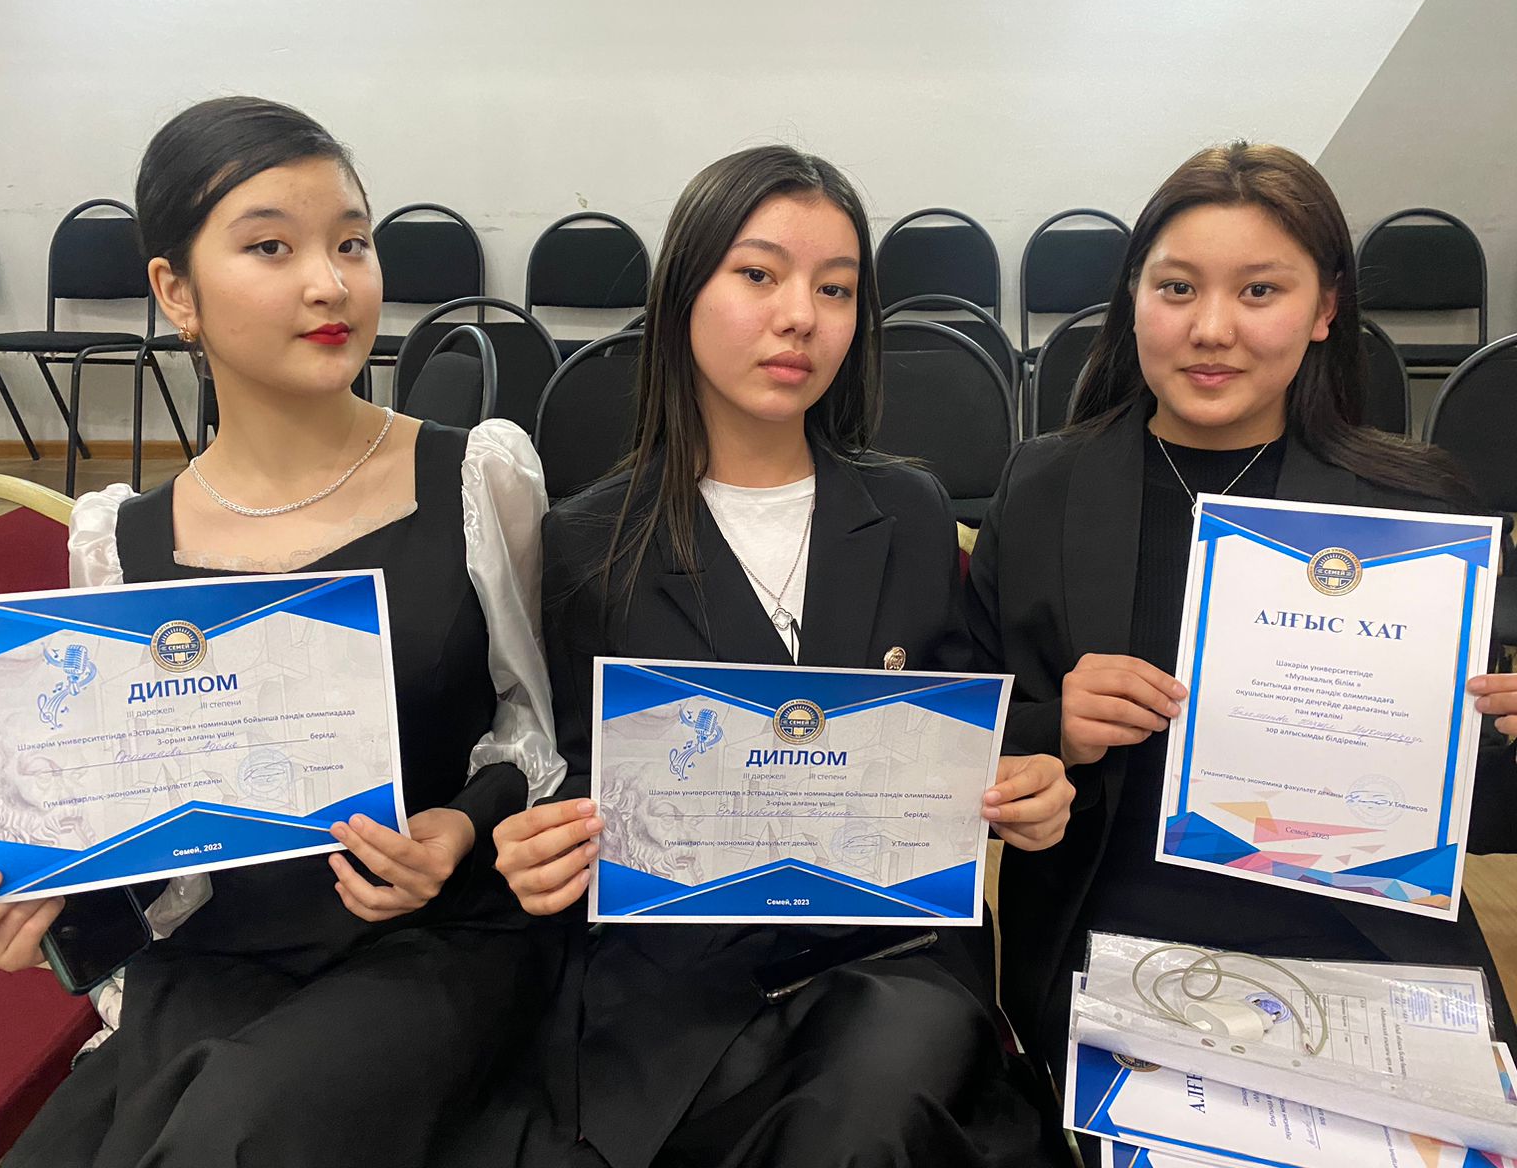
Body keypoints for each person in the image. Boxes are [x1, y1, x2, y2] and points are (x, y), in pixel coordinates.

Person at [0, 96, 565, 1167]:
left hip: (433, 946)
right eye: (271, 247)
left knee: (236, 1130)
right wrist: (44, 914)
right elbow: (142, 839)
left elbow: (533, 727)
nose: (330, 283)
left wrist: (460, 828)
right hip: (215, 964)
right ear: (175, 291)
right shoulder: (121, 543)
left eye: (352, 243)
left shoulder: (475, 478)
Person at [485, 145, 1076, 1168]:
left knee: (871, 1099)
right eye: (758, 275)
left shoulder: (908, 511)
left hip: (890, 954)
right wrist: (545, 842)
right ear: (683, 294)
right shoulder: (588, 541)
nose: (800, 316)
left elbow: (950, 739)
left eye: (835, 289)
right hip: (681, 972)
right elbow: (581, 773)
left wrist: (1024, 784)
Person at [966, 141, 1517, 1082]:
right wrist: (1058, 729)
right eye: (1176, 289)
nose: (1211, 328)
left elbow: (1481, 812)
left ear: (1325, 308)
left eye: (1260, 291)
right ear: (1134, 297)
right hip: (1114, 935)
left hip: (1363, 939)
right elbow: (965, 741)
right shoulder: (1044, 487)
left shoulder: (1416, 509)